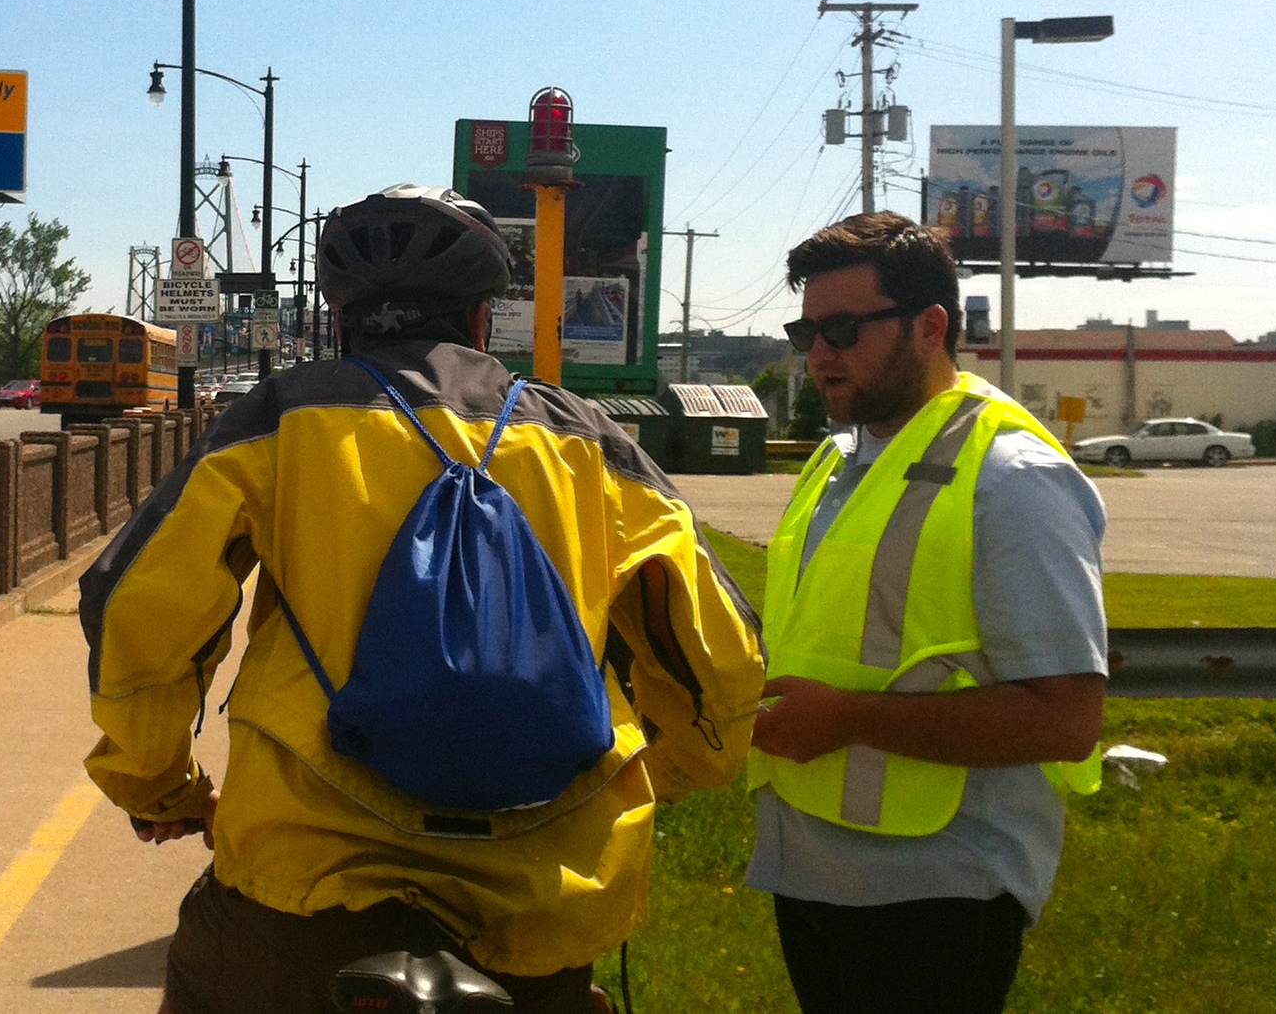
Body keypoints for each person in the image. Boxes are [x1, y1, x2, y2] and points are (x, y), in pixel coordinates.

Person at [78, 183, 765, 1014]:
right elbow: (721, 661)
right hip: (537, 904)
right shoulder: (586, 440)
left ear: (340, 324)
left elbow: (140, 616)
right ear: (481, 322)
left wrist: (162, 789)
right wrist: (652, 776)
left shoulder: (279, 418)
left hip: (304, 886)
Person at [745, 212, 1107, 1014]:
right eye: (806, 329)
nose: (817, 353)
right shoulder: (835, 460)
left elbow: (1065, 719)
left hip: (937, 888)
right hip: (809, 865)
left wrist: (847, 720)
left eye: (841, 327)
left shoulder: (1013, 479)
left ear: (929, 325)